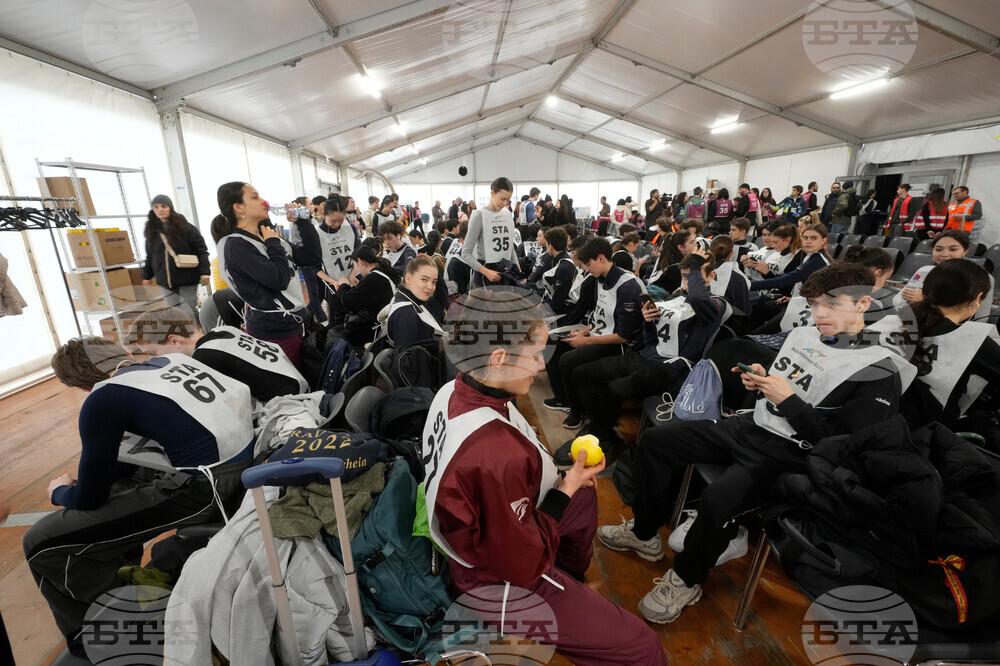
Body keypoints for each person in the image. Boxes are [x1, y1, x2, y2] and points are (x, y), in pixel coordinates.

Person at [597, 264, 910, 624]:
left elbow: (842, 448)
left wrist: (788, 401)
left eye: (833, 304)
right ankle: (643, 533)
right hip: (750, 426)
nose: (820, 314)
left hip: (789, 454)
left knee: (718, 498)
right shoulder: (804, 335)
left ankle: (686, 578)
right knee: (657, 441)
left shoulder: (879, 369)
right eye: (814, 304)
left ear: (862, 304)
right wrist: (762, 380)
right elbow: (787, 382)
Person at [423, 288, 668, 665]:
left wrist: (567, 484)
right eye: (535, 355)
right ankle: (559, 591)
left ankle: (569, 579)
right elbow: (521, 563)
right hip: (497, 578)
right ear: (499, 358)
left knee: (582, 494)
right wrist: (560, 492)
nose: (541, 366)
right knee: (643, 647)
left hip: (486, 536)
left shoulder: (453, 388)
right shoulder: (496, 453)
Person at [24, 336, 253, 658]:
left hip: (207, 488)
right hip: (243, 467)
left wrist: (59, 491)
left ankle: (106, 631)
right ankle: (126, 594)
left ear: (80, 385)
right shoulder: (173, 362)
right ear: (121, 353)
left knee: (41, 542)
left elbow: (88, 497)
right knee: (119, 491)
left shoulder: (104, 397)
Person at [575, 249, 726, 457]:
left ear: (710, 276)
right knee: (581, 374)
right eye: (684, 276)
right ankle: (601, 426)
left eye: (693, 276)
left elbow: (699, 298)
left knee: (616, 389)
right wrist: (649, 322)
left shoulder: (717, 303)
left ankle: (603, 435)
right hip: (646, 355)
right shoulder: (676, 298)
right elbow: (651, 340)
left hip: (670, 367)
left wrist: (696, 263)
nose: (687, 281)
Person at [212, 181, 321, 367]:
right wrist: (273, 244)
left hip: (294, 323)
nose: (264, 201)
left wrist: (303, 221)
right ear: (238, 207)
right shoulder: (236, 245)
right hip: (275, 330)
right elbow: (279, 280)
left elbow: (311, 257)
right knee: (289, 379)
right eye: (255, 197)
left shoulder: (266, 235)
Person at [543, 238, 645, 428]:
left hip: (619, 346)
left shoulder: (627, 287)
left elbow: (624, 336)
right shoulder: (600, 279)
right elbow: (599, 317)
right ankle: (567, 401)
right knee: (555, 343)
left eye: (589, 265)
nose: (587, 270)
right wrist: (582, 332)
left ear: (601, 258)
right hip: (599, 335)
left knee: (568, 361)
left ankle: (578, 411)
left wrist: (586, 341)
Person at [896, 259, 1000, 431]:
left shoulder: (890, 322)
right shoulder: (971, 338)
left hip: (876, 421)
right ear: (977, 298)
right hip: (932, 433)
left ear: (925, 290)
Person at [127, 306, 307, 402]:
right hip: (301, 386)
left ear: (175, 340)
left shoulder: (204, 357)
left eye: (152, 353)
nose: (154, 359)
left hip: (287, 407)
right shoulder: (223, 330)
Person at [892, 230, 992, 319]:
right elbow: (899, 299)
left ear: (965, 251)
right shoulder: (924, 271)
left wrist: (925, 301)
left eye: (953, 249)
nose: (944, 254)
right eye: (938, 249)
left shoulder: (978, 278)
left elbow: (980, 317)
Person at [141, 194, 210, 320]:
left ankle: (196, 331)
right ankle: (184, 333)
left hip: (187, 278)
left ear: (170, 208)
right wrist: (146, 276)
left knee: (188, 311)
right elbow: (150, 256)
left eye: (163, 206)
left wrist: (205, 272)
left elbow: (201, 250)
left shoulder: (186, 228)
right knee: (173, 314)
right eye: (156, 207)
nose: (160, 209)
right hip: (165, 281)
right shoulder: (152, 232)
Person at [331, 245, 401, 347]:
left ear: (360, 261)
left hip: (378, 329)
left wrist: (343, 286)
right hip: (388, 323)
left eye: (354, 265)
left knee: (335, 334)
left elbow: (347, 301)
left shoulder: (373, 278)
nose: (356, 270)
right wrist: (360, 286)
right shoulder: (384, 271)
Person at [462, 177, 519, 288]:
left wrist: (517, 267)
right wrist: (486, 272)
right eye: (502, 199)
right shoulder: (479, 215)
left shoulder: (507, 214)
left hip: (505, 271)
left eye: (508, 200)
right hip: (486, 275)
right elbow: (466, 253)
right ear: (492, 193)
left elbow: (510, 247)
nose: (505, 203)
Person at [314, 194, 363, 321]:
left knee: (356, 318)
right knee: (338, 320)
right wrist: (333, 282)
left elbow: (358, 254)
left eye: (341, 220)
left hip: (353, 280)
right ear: (324, 214)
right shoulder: (317, 234)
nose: (337, 224)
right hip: (334, 285)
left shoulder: (349, 228)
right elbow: (315, 267)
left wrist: (353, 274)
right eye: (333, 221)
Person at [386, 256, 443, 348]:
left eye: (434, 282)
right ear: (408, 279)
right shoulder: (405, 313)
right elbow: (409, 354)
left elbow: (440, 302)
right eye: (424, 279)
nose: (430, 287)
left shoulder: (409, 297)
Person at [540, 226, 579, 317]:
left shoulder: (563, 268)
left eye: (547, 244)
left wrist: (541, 312)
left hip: (565, 311)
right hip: (559, 305)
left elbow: (559, 301)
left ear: (550, 246)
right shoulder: (562, 261)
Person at [648, 230, 696, 295]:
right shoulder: (678, 266)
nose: (696, 244)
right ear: (680, 247)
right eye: (692, 242)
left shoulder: (665, 257)